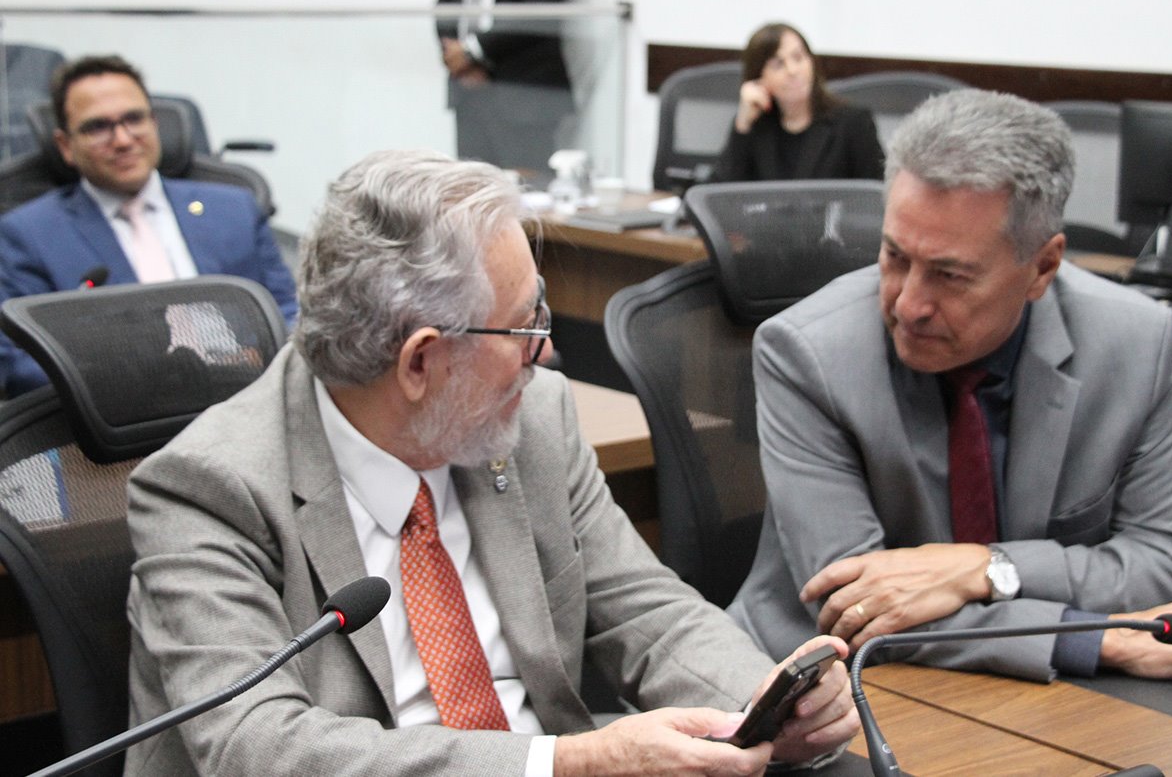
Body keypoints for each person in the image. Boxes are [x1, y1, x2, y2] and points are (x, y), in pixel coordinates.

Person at [123, 149, 858, 775]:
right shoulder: (207, 488)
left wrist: (759, 704)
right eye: (523, 324)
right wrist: (567, 763)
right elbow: (259, 747)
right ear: (420, 361)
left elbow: (646, 609)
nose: (547, 349)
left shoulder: (533, 418)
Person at [728, 89, 1172, 683]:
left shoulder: (1137, 341)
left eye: (949, 275)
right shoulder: (807, 352)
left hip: (1046, 696)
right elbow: (853, 608)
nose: (908, 305)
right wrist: (1092, 638)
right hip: (828, 682)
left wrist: (985, 568)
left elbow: (1164, 563)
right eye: (894, 257)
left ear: (1043, 267)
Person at [0, 54, 297, 397]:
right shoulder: (28, 234)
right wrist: (151, 378)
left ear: (154, 123)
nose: (123, 140)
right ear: (66, 146)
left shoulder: (234, 207)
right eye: (98, 127)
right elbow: (18, 365)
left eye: (134, 119)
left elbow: (288, 312)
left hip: (250, 397)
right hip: (121, 416)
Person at [711, 22, 884, 184]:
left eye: (798, 57)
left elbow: (876, 194)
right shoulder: (755, 126)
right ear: (758, 77)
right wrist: (742, 126)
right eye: (778, 64)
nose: (793, 70)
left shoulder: (854, 123)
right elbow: (716, 194)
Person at [436, 0, 575, 181]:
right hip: (468, 91)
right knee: (473, 185)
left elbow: (537, 12)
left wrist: (472, 52)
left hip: (526, 93)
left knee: (527, 187)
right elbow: (444, 9)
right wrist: (461, 61)